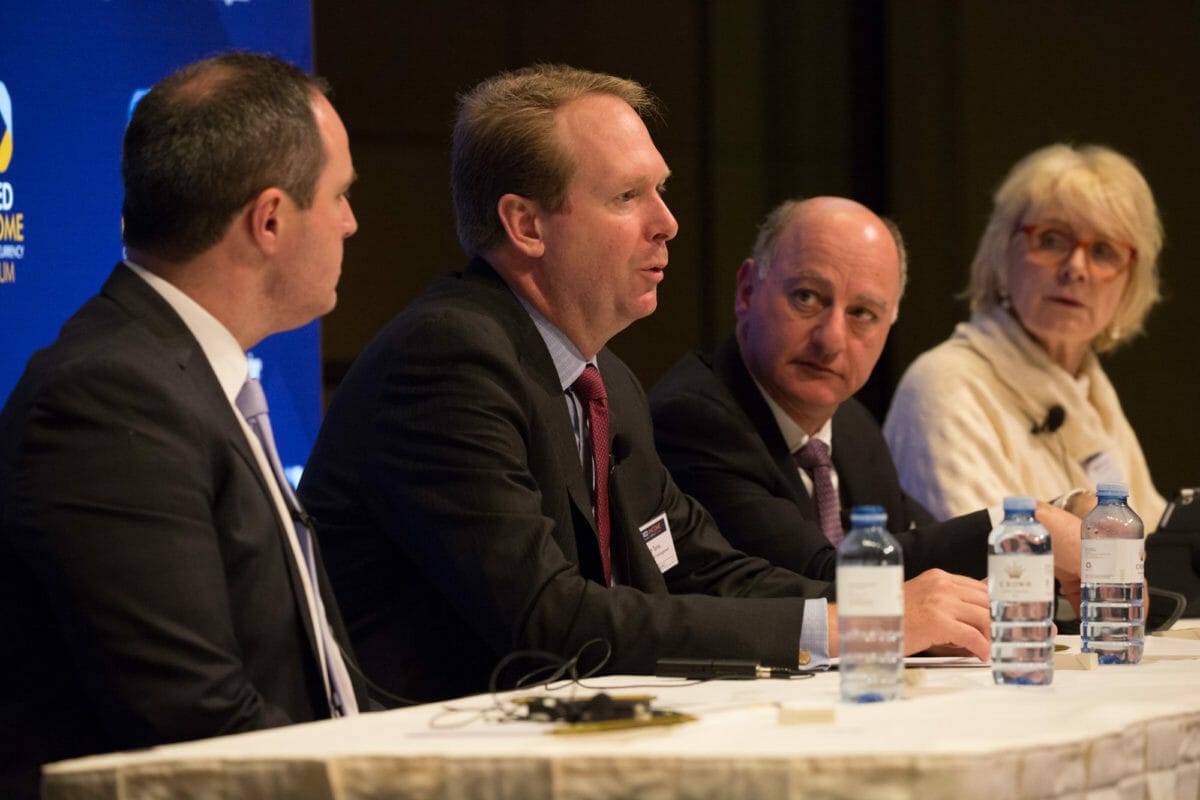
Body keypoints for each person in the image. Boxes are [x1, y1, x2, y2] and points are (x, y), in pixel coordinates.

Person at [299, 64, 992, 706]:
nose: (667, 223)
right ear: (526, 224)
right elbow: (550, 619)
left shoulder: (608, 382)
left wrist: (879, 612)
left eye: (660, 190)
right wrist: (858, 626)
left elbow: (702, 567)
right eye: (628, 196)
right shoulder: (447, 361)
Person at [0, 53, 366, 798]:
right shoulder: (108, 399)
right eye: (339, 196)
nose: (351, 223)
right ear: (269, 220)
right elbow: (198, 728)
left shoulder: (186, 380)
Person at [649, 197, 1083, 591]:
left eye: (862, 313)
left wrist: (1062, 516)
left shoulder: (851, 425)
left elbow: (922, 555)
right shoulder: (695, 420)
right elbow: (824, 582)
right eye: (806, 297)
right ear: (747, 291)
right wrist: (1025, 525)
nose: (831, 339)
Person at [883, 144, 1166, 526]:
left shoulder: (1092, 394)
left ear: (1131, 279)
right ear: (1002, 252)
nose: (1076, 268)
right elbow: (982, 552)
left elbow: (1153, 540)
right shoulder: (944, 386)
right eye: (1051, 239)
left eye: (1103, 251)